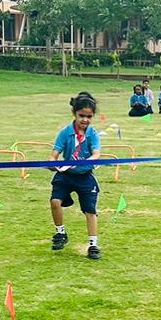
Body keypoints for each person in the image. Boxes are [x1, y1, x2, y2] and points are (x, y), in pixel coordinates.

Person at [50, 91, 102, 259]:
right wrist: (52, 164)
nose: (85, 120)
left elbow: (96, 154)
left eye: (89, 116)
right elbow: (54, 155)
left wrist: (84, 161)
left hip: (85, 176)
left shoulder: (92, 134)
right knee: (55, 202)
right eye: (81, 116)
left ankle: (93, 245)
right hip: (66, 175)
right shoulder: (65, 132)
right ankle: (60, 233)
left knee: (90, 211)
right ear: (74, 113)